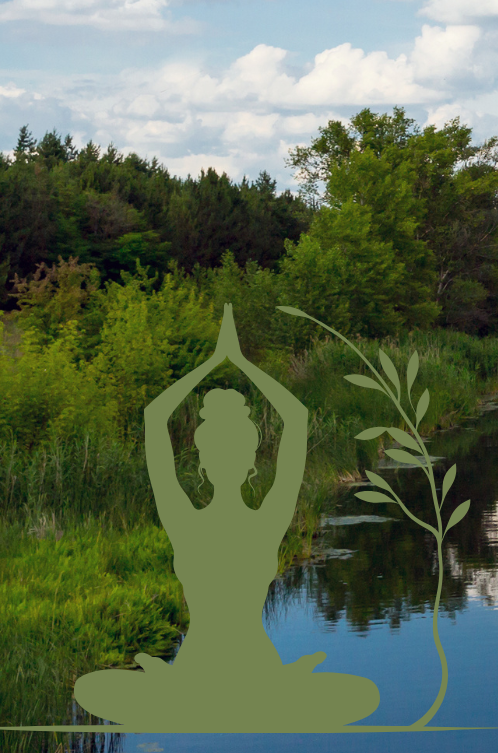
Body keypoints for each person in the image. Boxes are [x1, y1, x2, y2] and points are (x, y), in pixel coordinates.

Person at [73, 305, 380, 732]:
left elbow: (155, 417)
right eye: (219, 451)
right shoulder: (258, 522)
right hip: (214, 675)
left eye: (232, 451)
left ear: (249, 462)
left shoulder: (195, 522)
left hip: (236, 674)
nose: (225, 460)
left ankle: (207, 696)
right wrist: (226, 362)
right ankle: (234, 696)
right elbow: (293, 417)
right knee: (94, 688)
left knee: (361, 696)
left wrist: (224, 362)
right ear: (206, 463)